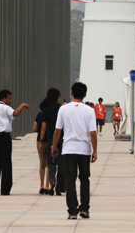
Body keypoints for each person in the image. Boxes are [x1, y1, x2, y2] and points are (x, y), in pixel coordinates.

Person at [51, 82, 97, 219]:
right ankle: (84, 208)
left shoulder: (64, 109)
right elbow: (93, 133)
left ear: (71, 93)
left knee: (70, 179)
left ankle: (72, 210)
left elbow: (57, 131)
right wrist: (95, 151)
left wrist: (54, 147)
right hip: (84, 150)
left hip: (68, 149)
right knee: (84, 179)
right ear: (85, 95)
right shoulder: (89, 110)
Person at [0, 89, 31, 195]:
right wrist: (22, 105)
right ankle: (5, 189)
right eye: (9, 98)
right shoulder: (5, 108)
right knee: (6, 163)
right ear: (3, 99)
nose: (11, 100)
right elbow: (15, 113)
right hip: (4, 137)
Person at [39, 87, 66, 196]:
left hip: (51, 138)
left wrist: (41, 141)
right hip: (62, 138)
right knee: (61, 162)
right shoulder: (63, 109)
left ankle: (52, 181)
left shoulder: (46, 111)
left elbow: (44, 127)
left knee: (51, 162)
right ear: (58, 98)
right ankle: (60, 187)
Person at [33, 97, 50, 194]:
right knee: (49, 164)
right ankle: (48, 186)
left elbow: (35, 128)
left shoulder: (40, 115)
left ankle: (42, 185)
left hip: (40, 140)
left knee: (42, 164)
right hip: (50, 140)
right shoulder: (52, 114)